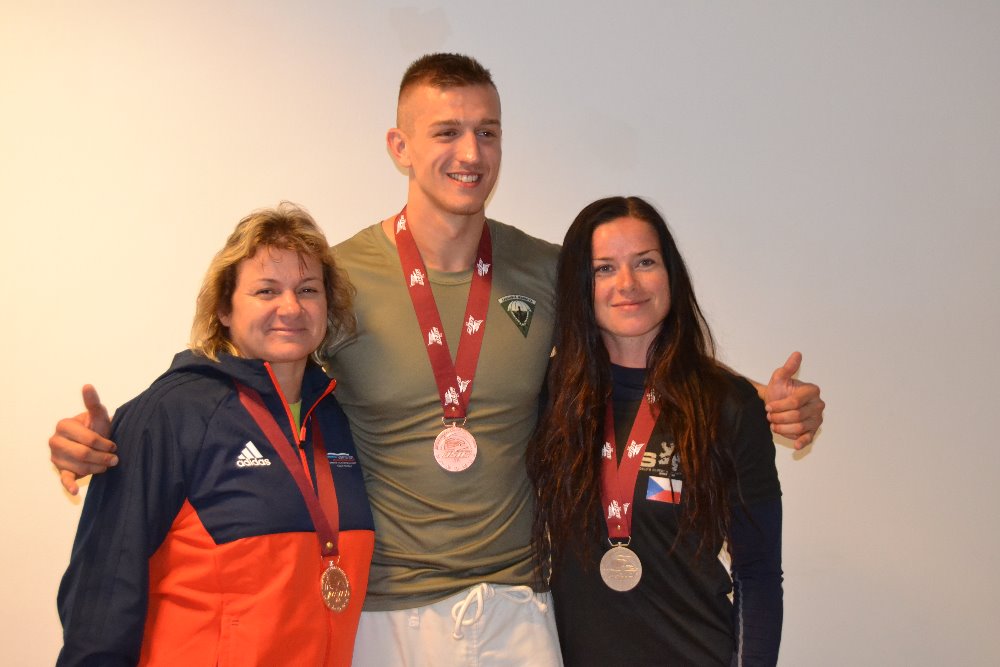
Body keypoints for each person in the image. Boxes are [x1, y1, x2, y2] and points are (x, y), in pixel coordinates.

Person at [50, 55, 823, 666]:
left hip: (521, 607)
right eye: (447, 131)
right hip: (385, 611)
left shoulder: (544, 269)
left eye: (488, 132)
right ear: (401, 147)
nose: (470, 152)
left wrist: (755, 398)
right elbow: (253, 362)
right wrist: (111, 439)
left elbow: (632, 341)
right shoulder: (337, 276)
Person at [57, 204, 375, 666]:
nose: (291, 307)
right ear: (224, 308)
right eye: (266, 290)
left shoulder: (337, 418)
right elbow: (101, 594)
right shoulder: (170, 414)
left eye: (308, 289)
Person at [528, 196, 784, 666]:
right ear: (580, 286)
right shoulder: (548, 398)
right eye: (604, 268)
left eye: (645, 262)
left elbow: (758, 572)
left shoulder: (727, 406)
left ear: (671, 274)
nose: (627, 283)